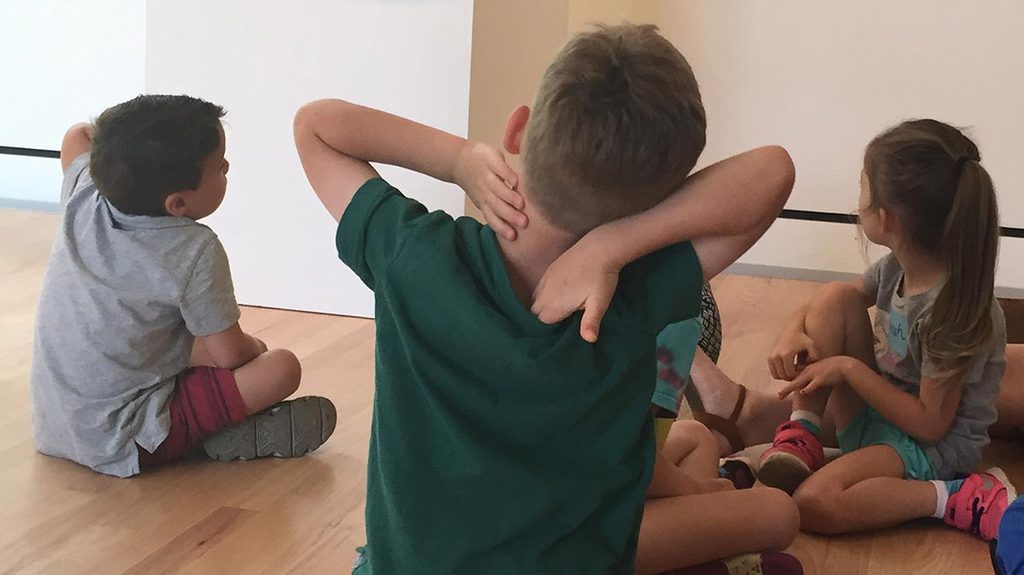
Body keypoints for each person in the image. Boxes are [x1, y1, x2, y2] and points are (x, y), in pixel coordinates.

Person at [294, 23, 793, 574]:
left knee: (694, 444)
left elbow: (316, 126)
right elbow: (773, 171)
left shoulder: (414, 256)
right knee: (772, 509)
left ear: (517, 129)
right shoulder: (632, 290)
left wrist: (460, 158)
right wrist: (617, 242)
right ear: (667, 196)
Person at [32, 95, 335, 478]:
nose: (227, 165)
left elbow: (77, 134)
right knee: (279, 368)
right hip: (126, 438)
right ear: (177, 204)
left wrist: (121, 141)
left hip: (55, 424)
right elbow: (230, 356)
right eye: (218, 167)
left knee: (185, 347)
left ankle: (220, 428)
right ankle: (212, 437)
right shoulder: (194, 249)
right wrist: (255, 348)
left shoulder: (85, 193)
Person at [751, 119, 1014, 541]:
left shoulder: (951, 311)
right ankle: (802, 430)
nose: (858, 202)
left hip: (930, 448)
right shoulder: (897, 268)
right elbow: (831, 302)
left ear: (887, 218)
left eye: (863, 190)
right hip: (882, 416)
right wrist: (791, 330)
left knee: (815, 504)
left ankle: (956, 496)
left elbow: (931, 426)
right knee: (837, 296)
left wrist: (849, 370)